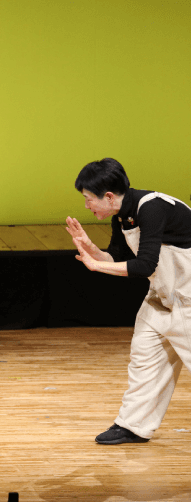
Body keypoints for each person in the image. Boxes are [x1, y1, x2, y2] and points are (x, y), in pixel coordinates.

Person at [67, 157, 191, 445]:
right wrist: (93, 251)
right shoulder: (122, 215)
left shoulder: (152, 208)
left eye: (88, 199)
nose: (87, 206)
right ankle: (133, 425)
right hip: (162, 296)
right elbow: (120, 259)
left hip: (188, 298)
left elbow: (144, 265)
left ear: (108, 196)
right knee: (144, 357)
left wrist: (96, 266)